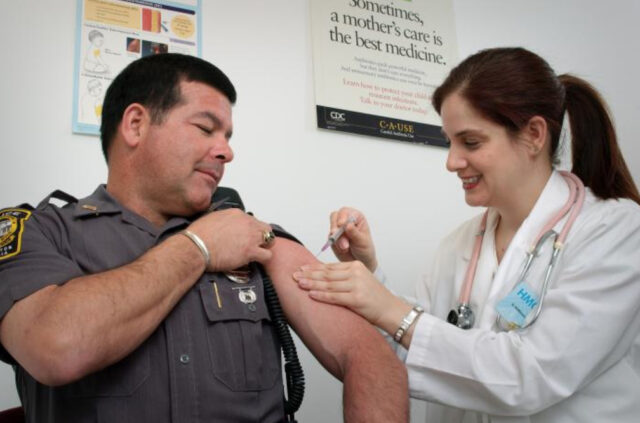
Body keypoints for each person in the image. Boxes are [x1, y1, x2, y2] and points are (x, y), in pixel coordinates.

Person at [0, 53, 409, 422]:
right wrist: (199, 247)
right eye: (206, 128)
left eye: (228, 137)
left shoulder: (253, 237)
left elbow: (369, 356)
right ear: (136, 125)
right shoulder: (41, 231)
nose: (226, 152)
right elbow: (54, 346)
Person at [294, 47, 640, 422]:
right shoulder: (461, 244)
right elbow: (412, 349)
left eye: (470, 142)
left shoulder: (615, 230)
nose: (451, 161)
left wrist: (389, 308)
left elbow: (531, 375)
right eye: (449, 142)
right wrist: (369, 274)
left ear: (535, 135)